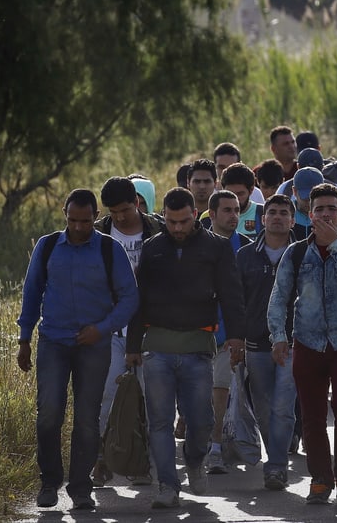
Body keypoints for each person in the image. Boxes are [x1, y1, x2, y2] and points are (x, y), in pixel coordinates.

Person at [17, 189, 139, 510]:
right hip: (53, 343)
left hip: (93, 346)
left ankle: (81, 487)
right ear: (64, 214)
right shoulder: (46, 247)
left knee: (87, 418)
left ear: (96, 217)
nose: (79, 227)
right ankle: (49, 482)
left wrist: (102, 328)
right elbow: (31, 293)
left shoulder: (110, 251)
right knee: (48, 414)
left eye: (85, 221)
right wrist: (24, 339)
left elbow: (129, 298)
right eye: (73, 221)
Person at [125, 187, 245, 508]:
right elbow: (140, 300)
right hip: (158, 348)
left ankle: (194, 461)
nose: (177, 228)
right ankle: (167, 486)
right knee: (160, 421)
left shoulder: (217, 248)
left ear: (196, 214)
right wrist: (133, 346)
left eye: (183, 221)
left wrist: (236, 337)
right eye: (171, 221)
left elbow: (231, 294)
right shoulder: (152, 249)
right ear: (163, 216)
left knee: (201, 420)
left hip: (198, 347)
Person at [267, 183, 337, 505]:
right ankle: (320, 478)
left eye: (332, 208)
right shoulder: (296, 252)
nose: (326, 214)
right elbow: (279, 297)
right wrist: (279, 337)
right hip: (308, 342)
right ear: (309, 215)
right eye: (320, 209)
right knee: (312, 415)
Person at [91, 177, 161, 488]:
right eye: (113, 211)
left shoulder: (158, 230)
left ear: (137, 200)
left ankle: (141, 462)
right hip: (111, 329)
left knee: (151, 400)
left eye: (124, 209)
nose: (119, 216)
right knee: (106, 398)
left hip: (153, 330)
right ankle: (102, 459)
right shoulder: (99, 233)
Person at [237, 194, 298, 491]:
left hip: (294, 342)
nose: (276, 217)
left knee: (283, 407)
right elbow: (236, 301)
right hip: (256, 343)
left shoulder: (304, 252)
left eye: (283, 213)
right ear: (263, 219)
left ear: (291, 219)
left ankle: (276, 467)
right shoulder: (245, 255)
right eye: (271, 212)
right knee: (263, 407)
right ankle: (275, 455)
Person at [203, 190, 252, 474]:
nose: (234, 216)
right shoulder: (198, 246)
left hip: (228, 335)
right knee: (198, 396)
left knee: (220, 391)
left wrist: (239, 334)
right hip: (197, 333)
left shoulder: (245, 248)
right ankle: (202, 443)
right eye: (227, 210)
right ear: (211, 214)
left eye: (236, 210)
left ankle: (217, 447)